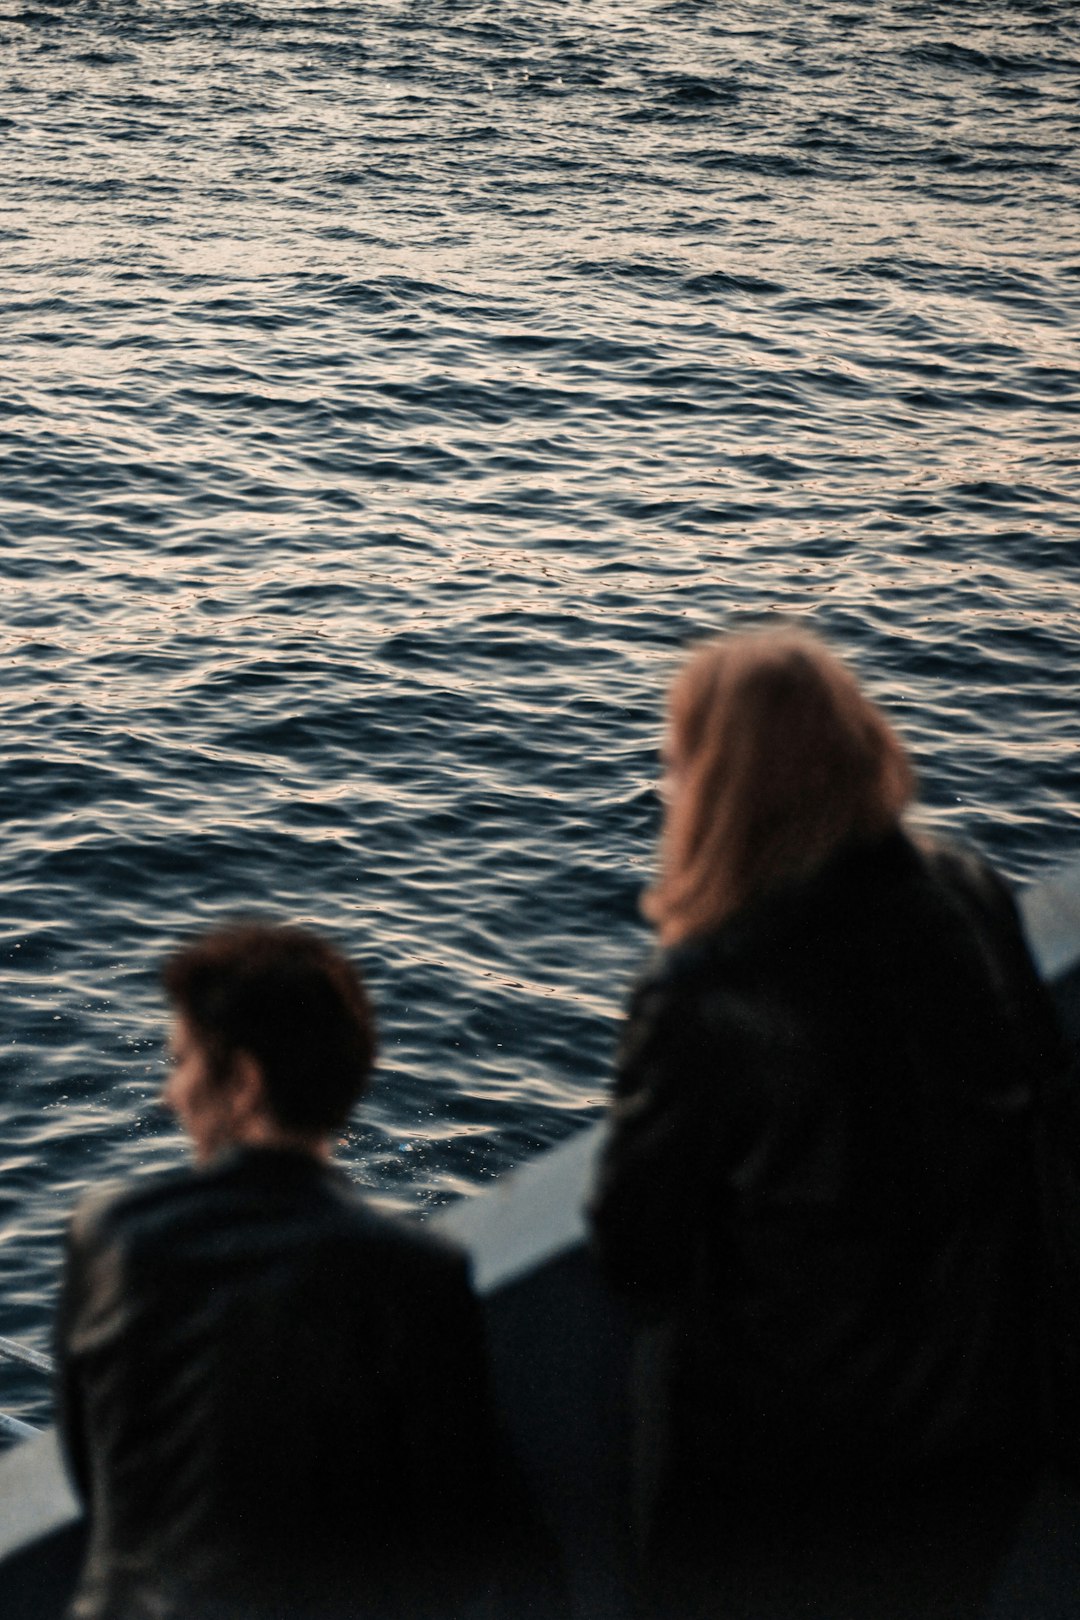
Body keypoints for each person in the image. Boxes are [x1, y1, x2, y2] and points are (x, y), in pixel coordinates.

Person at [589, 626, 1068, 1620]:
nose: (667, 789)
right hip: (983, 1431)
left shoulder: (705, 986)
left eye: (678, 764)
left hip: (793, 1473)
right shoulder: (968, 890)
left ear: (722, 788)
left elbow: (637, 1252)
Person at [56, 922, 553, 1620]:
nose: (171, 1096)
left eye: (183, 1063)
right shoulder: (418, 1275)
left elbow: (95, 1478)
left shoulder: (110, 1238)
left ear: (245, 1084)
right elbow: (456, 1539)